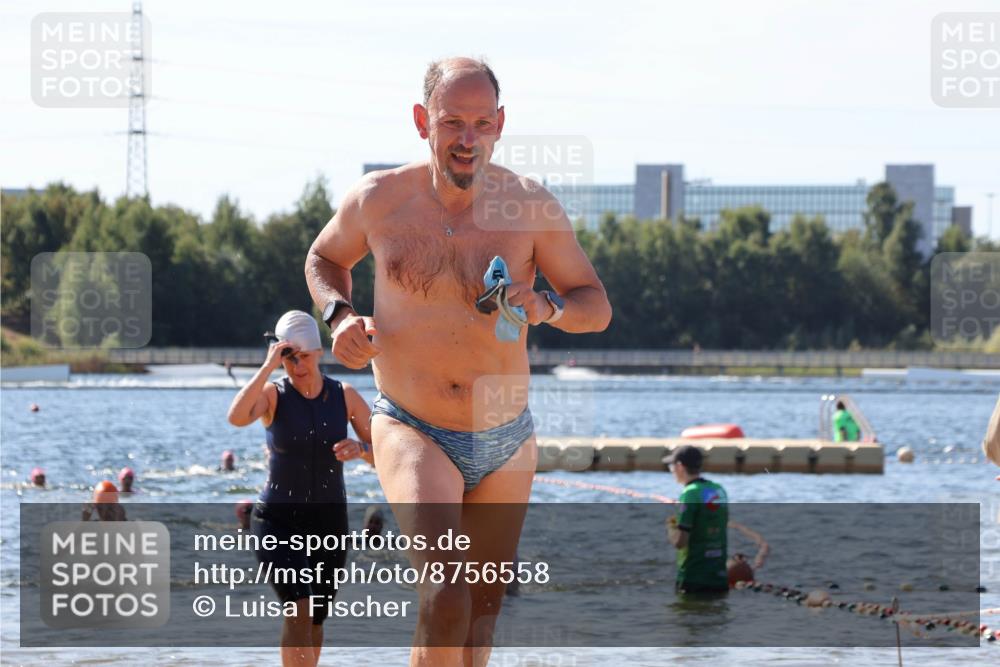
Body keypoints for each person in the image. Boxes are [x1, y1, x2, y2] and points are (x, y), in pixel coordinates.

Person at [305, 56, 611, 666]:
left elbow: (595, 306)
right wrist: (339, 317)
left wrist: (547, 306)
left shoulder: (530, 207)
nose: (467, 139)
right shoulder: (379, 199)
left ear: (499, 124)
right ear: (423, 122)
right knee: (446, 597)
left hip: (507, 437)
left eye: (480, 123)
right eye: (452, 123)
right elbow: (322, 259)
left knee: (478, 626)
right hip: (412, 426)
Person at [227, 310, 373, 667]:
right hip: (277, 521)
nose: (297, 366)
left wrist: (361, 450)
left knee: (316, 620)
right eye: (289, 359)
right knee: (298, 608)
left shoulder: (346, 396)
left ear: (319, 353)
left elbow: (386, 452)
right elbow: (236, 416)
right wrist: (267, 367)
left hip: (328, 525)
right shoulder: (272, 395)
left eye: (304, 357)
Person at [664, 445, 729, 595]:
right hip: (719, 578)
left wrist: (670, 527)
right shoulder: (718, 490)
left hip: (693, 579)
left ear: (680, 466)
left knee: (686, 616)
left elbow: (680, 542)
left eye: (671, 466)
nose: (672, 471)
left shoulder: (689, 494)